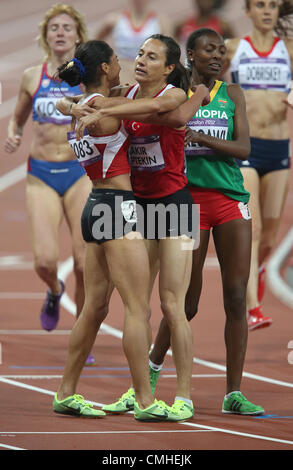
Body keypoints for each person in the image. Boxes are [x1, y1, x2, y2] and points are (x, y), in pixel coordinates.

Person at [53, 39, 208, 421]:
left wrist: (80, 104)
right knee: (138, 309)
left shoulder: (109, 102)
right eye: (133, 55)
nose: (135, 60)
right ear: (106, 69)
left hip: (157, 204)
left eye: (148, 56)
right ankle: (143, 399)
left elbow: (170, 112)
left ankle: (68, 392)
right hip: (124, 208)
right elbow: (159, 111)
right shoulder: (114, 103)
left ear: (169, 68)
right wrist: (92, 105)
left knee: (128, 306)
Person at [146, 28, 264, 416]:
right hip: (188, 200)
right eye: (208, 50)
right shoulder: (177, 94)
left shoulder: (233, 94)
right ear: (190, 56)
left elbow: (244, 148)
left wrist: (199, 136)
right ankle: (150, 370)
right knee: (186, 302)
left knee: (235, 295)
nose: (217, 56)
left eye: (221, 51)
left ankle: (233, 392)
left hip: (230, 199)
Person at [3, 4, 96, 366]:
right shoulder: (31, 76)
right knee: (44, 260)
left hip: (79, 173)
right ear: (46, 35)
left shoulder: (88, 79)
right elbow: (18, 120)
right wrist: (13, 135)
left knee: (85, 262)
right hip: (41, 173)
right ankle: (55, 290)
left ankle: (82, 337)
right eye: (54, 27)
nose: (60, 32)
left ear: (78, 36)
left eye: (67, 28)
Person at [225, 0, 293, 330]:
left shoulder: (289, 49)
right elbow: (204, 79)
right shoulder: (233, 48)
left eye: (273, 6)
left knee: (268, 237)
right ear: (248, 11)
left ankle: (261, 268)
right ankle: (253, 307)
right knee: (251, 231)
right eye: (261, 5)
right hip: (246, 148)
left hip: (279, 148)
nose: (267, 11)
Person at [95, 0, 170, 85]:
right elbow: (95, 43)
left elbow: (170, 52)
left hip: (148, 75)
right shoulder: (114, 20)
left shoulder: (161, 22)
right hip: (122, 74)